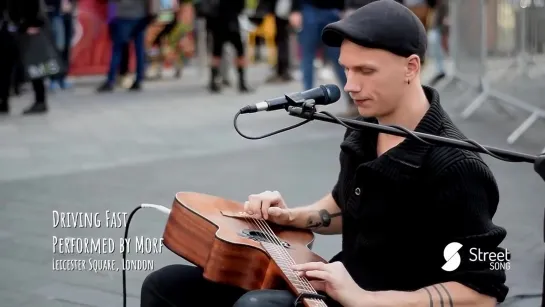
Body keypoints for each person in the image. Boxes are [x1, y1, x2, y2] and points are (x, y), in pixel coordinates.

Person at [140, 1, 508, 306]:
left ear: (411, 67)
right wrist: (290, 216)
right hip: (331, 284)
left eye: (366, 71)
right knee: (167, 285)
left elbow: (483, 292)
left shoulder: (459, 167)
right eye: (347, 69)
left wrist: (363, 299)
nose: (350, 86)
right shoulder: (366, 128)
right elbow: (345, 206)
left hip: (381, 300)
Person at [0, 0, 49, 115]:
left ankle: (40, 101)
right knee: (4, 66)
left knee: (34, 63)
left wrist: (34, 24)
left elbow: (34, 5)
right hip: (10, 27)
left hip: (27, 27)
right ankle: (3, 101)